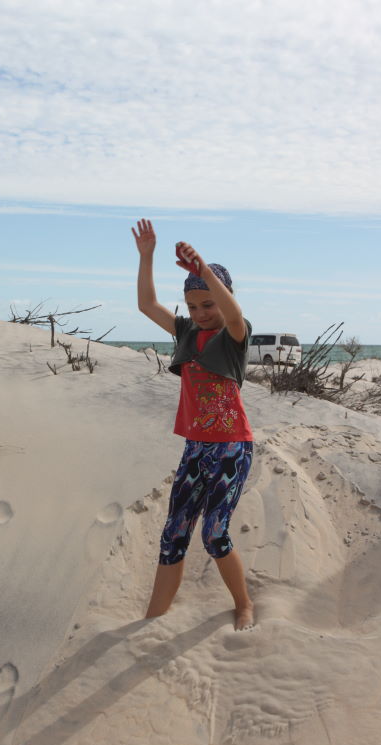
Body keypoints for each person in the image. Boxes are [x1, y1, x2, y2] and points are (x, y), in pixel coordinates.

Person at [132, 218, 255, 631]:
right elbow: (147, 305)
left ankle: (244, 605)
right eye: (194, 307)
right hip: (195, 447)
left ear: (223, 298)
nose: (201, 313)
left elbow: (234, 314)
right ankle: (152, 619)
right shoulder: (186, 332)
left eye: (208, 304)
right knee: (173, 535)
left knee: (214, 533)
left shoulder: (234, 335)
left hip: (232, 447)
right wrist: (147, 257)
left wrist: (203, 271)